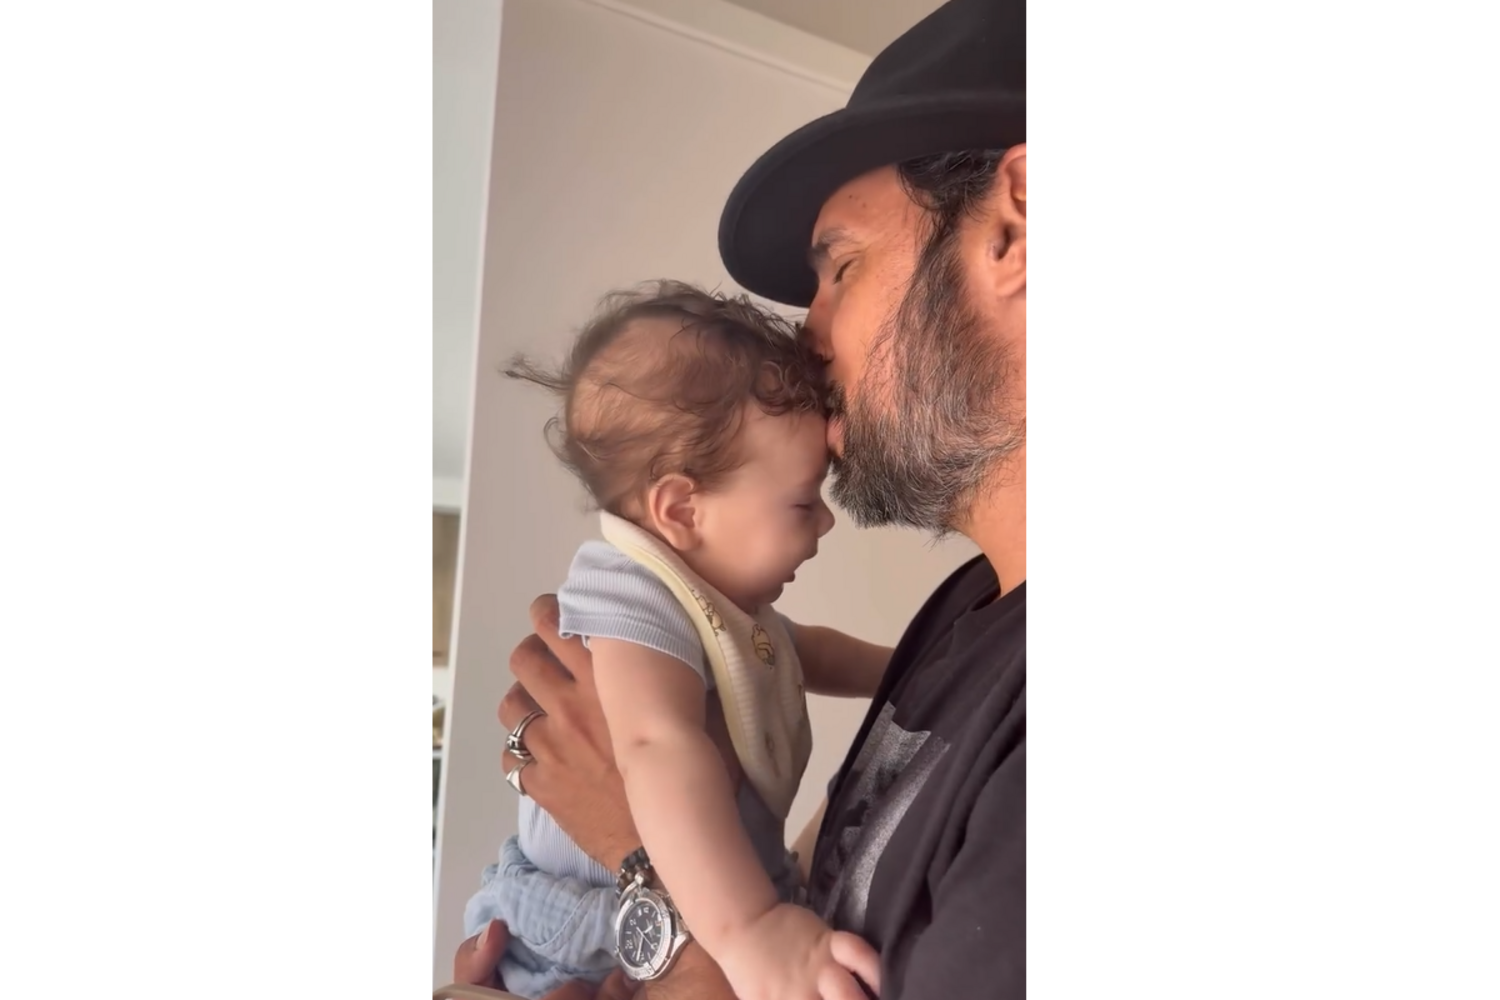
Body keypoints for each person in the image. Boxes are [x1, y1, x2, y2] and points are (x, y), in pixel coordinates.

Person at [455, 0, 1028, 996]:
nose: (809, 333)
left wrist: (633, 847)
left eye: (840, 266)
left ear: (1014, 226)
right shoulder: (960, 616)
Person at [462, 282, 893, 1000]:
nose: (824, 523)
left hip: (685, 917)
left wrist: (905, 666)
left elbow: (804, 652)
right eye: (802, 501)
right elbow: (655, 747)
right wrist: (751, 928)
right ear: (682, 509)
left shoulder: (716, 608)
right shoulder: (630, 594)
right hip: (583, 936)